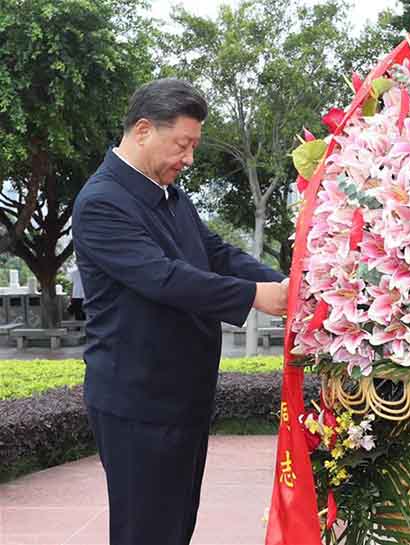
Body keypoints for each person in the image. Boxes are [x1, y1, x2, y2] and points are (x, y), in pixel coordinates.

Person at [72, 78, 288, 545]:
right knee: (144, 532)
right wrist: (254, 296)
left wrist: (282, 283)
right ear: (145, 130)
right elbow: (164, 278)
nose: (188, 159)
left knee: (173, 527)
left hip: (182, 395)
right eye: (183, 144)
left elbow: (213, 251)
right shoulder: (102, 202)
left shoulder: (167, 193)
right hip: (138, 402)